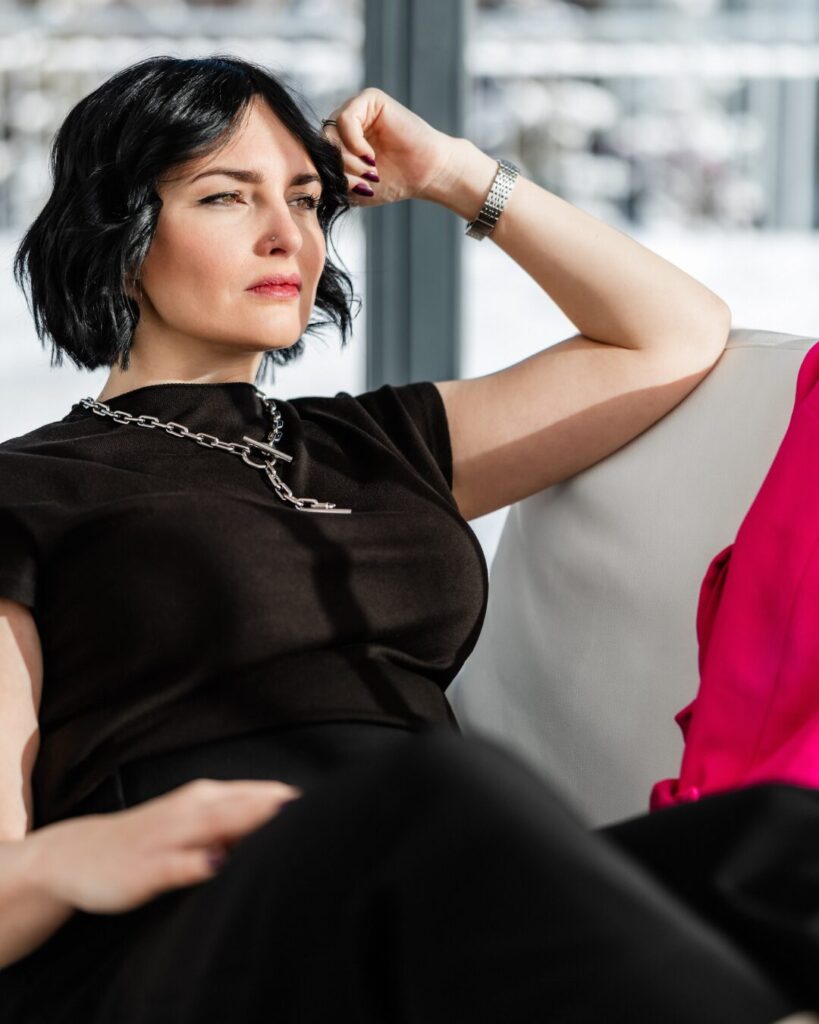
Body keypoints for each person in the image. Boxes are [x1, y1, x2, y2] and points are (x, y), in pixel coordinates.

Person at [0, 53, 814, 1023]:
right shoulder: (28, 491)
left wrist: (454, 174)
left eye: (306, 200)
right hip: (181, 940)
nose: (285, 234)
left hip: (430, 892)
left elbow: (673, 334)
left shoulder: (382, 443)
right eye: (225, 197)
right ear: (119, 232)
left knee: (782, 840)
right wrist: (74, 856)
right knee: (428, 790)